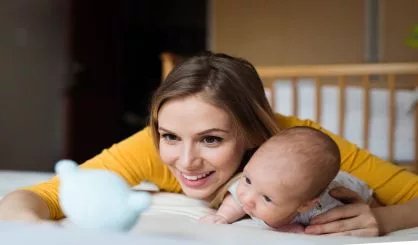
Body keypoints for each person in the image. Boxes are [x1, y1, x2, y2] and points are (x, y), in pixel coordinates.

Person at [0, 51, 417, 236]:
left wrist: (387, 220)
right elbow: (35, 197)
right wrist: (36, 233)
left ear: (255, 131)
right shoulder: (150, 147)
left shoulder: (302, 146)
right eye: (170, 136)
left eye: (212, 139)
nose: (185, 160)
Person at [199, 126, 375, 233]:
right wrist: (223, 216)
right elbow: (235, 202)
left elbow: (351, 218)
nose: (248, 199)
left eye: (267, 198)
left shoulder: (323, 210)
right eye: (248, 180)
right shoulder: (254, 184)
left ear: (305, 205)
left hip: (348, 185)